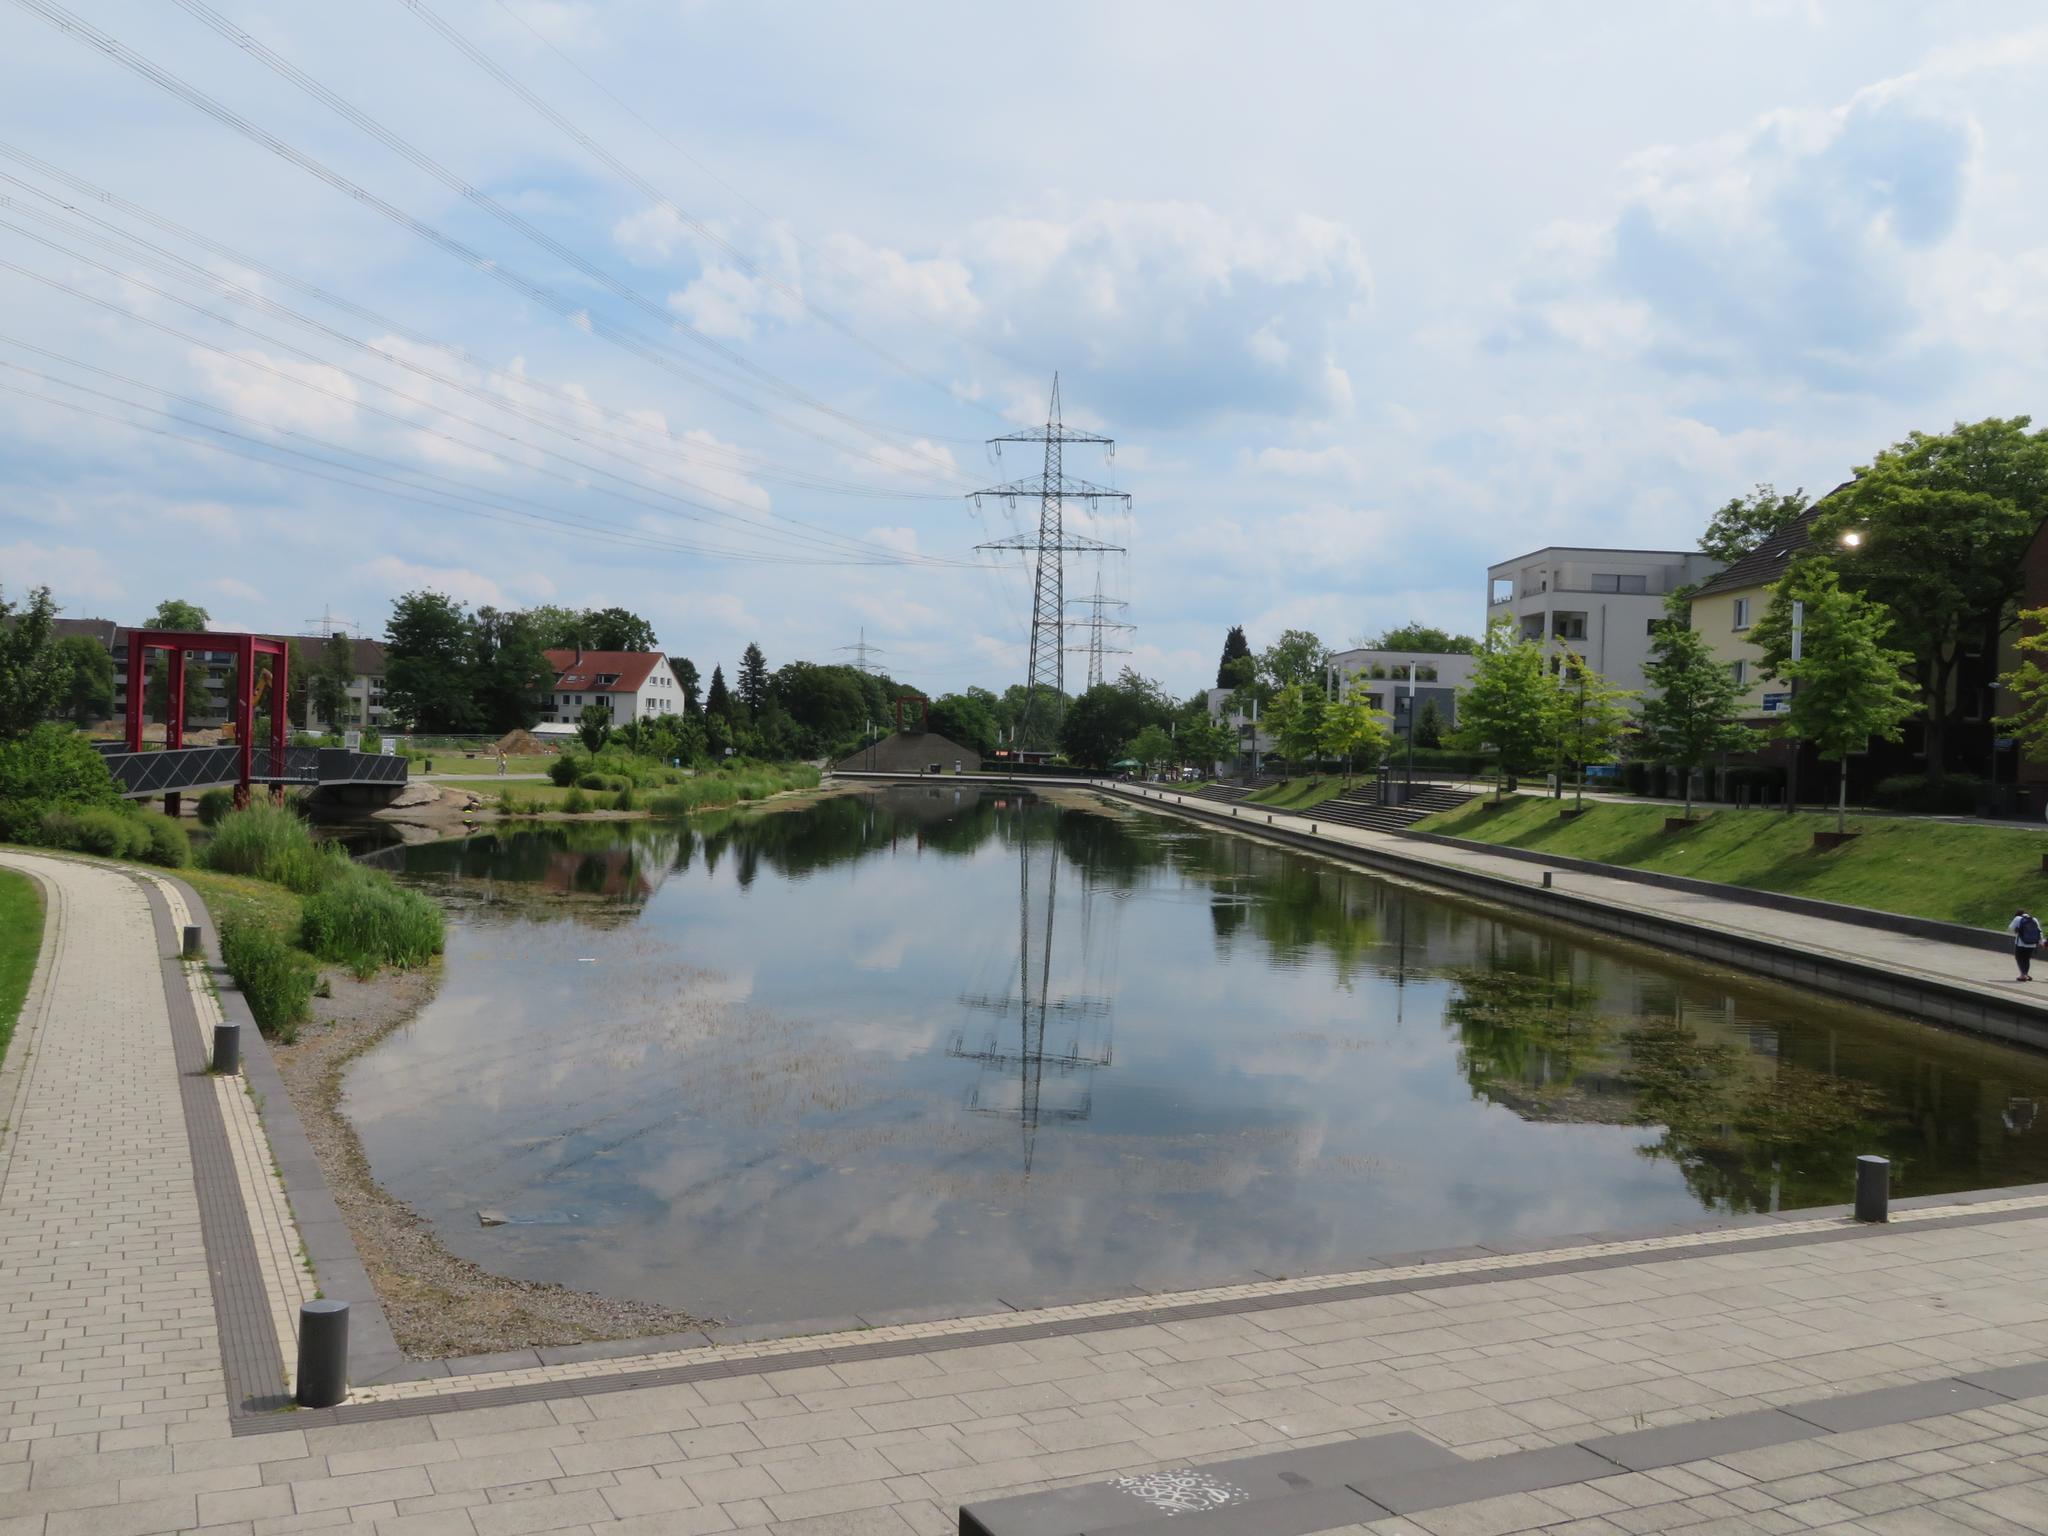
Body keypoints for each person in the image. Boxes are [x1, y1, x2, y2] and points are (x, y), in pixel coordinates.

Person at [2011, 908, 2042, 981]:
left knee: (2019, 958)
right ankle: (2025, 974)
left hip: (2021, 943)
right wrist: (2040, 941)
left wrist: (2016, 930)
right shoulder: (2034, 919)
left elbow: (2011, 928)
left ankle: (2023, 975)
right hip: (2032, 944)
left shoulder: (2017, 918)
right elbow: (2039, 931)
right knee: (2026, 959)